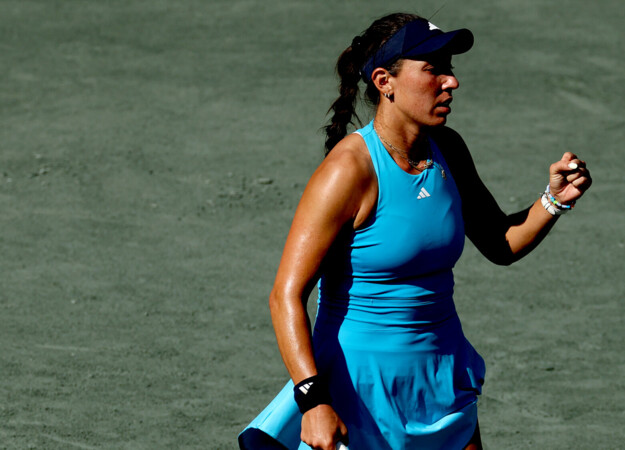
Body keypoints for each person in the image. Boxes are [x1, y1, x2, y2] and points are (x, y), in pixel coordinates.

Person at [239, 12, 592, 450]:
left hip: (442, 381)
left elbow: (500, 242)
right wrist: (312, 400)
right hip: (360, 390)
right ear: (384, 81)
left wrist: (553, 200)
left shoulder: (448, 149)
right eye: (433, 70)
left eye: (450, 68)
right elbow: (285, 296)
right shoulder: (348, 171)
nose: (451, 82)